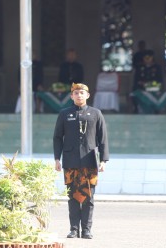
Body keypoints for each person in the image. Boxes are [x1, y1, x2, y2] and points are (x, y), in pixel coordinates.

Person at [53, 83, 109, 239]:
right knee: (72, 196)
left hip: (90, 161)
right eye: (76, 93)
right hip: (70, 161)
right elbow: (57, 137)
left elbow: (103, 138)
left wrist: (103, 160)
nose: (79, 95)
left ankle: (86, 230)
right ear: (72, 96)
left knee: (88, 197)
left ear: (88, 95)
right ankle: (73, 229)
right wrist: (57, 158)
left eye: (82, 92)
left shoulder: (96, 113)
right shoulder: (65, 114)